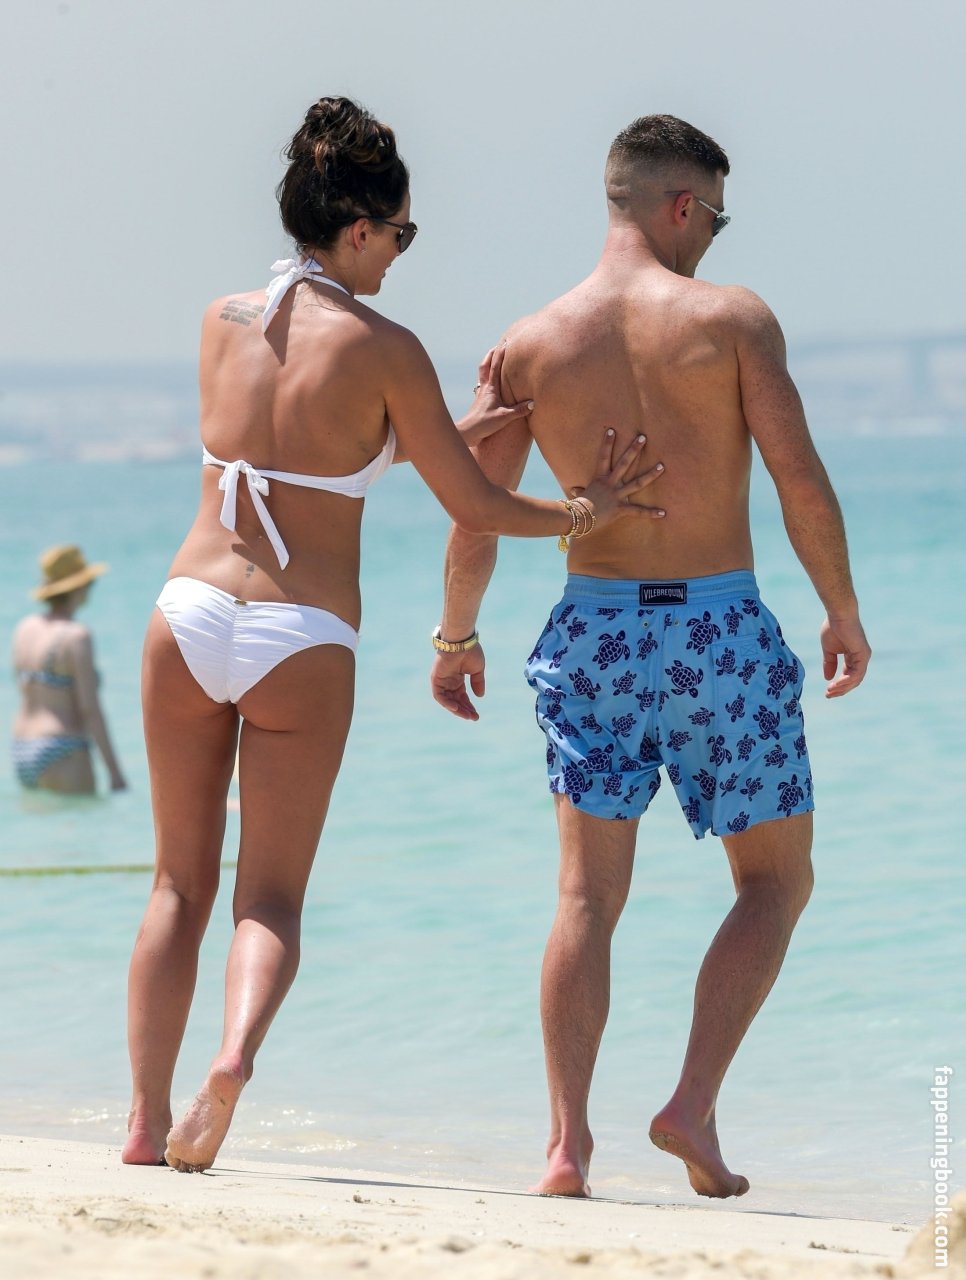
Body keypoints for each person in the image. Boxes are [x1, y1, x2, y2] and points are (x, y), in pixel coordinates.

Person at [122, 96, 664, 1173]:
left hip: (185, 614)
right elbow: (474, 503)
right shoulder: (387, 348)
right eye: (402, 235)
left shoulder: (221, 318)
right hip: (298, 633)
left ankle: (142, 1123)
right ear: (359, 227)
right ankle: (232, 1056)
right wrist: (581, 512)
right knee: (268, 897)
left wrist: (448, 430)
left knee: (176, 885)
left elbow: (303, 443)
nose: (404, 255)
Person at [431, 114, 871, 1200]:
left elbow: (479, 510)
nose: (715, 237)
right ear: (682, 205)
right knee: (775, 881)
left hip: (594, 632)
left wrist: (456, 635)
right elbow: (799, 474)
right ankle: (691, 1104)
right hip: (718, 631)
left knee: (586, 897)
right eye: (715, 217)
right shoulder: (732, 321)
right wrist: (841, 610)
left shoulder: (533, 341)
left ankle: (565, 1148)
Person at [11, 545, 127, 796]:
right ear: (77, 588)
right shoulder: (76, 636)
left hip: (22, 748)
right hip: (63, 745)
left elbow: (21, 687)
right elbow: (89, 708)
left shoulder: (25, 628)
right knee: (85, 820)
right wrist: (115, 772)